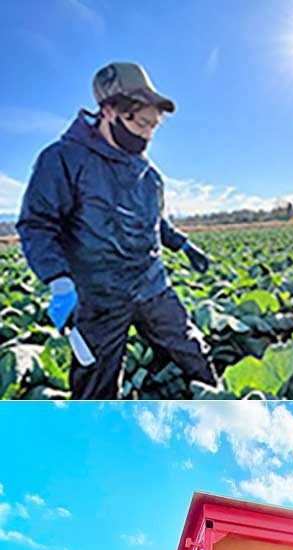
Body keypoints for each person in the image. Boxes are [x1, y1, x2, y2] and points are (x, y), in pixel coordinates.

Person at [17, 62, 217, 399]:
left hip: (152, 286)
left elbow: (155, 222)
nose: (147, 134)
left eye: (154, 126)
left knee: (194, 354)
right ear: (109, 110)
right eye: (140, 123)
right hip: (99, 297)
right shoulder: (63, 159)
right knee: (96, 386)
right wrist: (58, 280)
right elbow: (37, 223)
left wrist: (183, 246)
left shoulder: (149, 175)